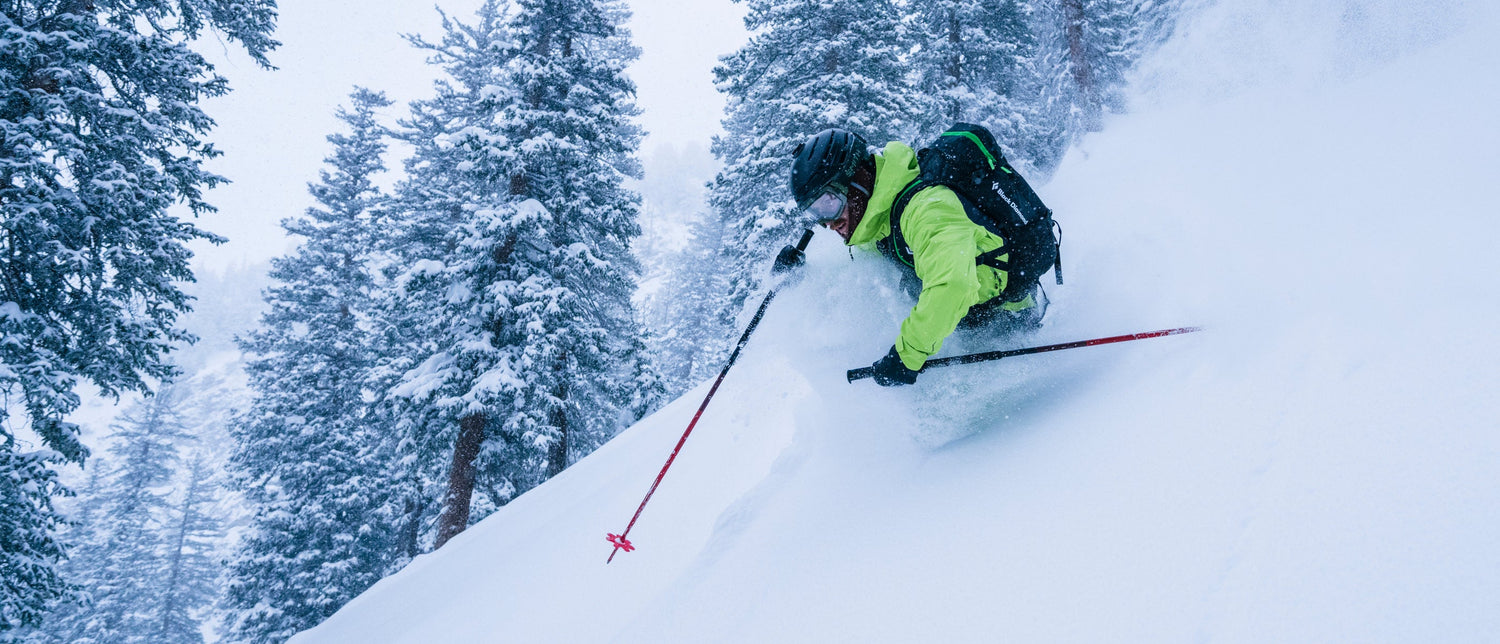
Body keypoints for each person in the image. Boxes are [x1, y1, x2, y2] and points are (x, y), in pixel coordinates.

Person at [775, 128, 1052, 387]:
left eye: (828, 204)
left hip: (1007, 323)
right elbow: (859, 273)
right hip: (963, 323)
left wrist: (907, 355)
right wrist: (801, 274)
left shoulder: (927, 209)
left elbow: (953, 285)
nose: (828, 223)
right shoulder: (878, 220)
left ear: (858, 179)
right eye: (815, 213)